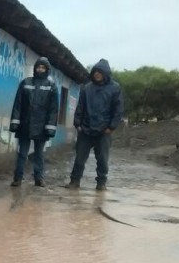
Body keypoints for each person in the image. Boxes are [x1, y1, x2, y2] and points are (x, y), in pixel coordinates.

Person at [67, 59, 124, 191]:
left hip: (104, 131)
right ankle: (74, 181)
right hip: (86, 129)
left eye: (100, 72)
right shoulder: (87, 88)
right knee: (79, 158)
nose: (96, 74)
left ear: (106, 73)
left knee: (102, 159)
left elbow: (118, 109)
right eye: (95, 72)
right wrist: (78, 124)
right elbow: (80, 107)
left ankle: (101, 183)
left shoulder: (115, 88)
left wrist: (111, 127)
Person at [9, 57, 59, 187]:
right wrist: (15, 122)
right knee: (22, 153)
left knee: (39, 154)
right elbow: (18, 104)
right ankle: (18, 178)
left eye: (43, 67)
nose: (40, 69)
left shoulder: (51, 86)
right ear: (35, 68)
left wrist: (50, 127)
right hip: (25, 124)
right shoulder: (25, 82)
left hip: (42, 126)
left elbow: (53, 109)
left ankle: (39, 178)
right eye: (38, 67)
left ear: (47, 70)